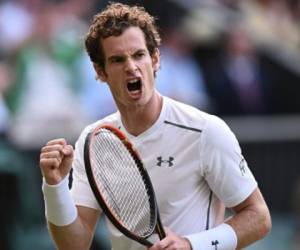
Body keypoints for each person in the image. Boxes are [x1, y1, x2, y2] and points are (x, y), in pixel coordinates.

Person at [39, 3, 271, 250]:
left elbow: (258, 217)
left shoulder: (206, 131)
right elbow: (73, 245)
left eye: (138, 55)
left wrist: (190, 245)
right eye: (117, 60)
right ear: (100, 71)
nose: (131, 67)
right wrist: (54, 186)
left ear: (156, 59)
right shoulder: (92, 140)